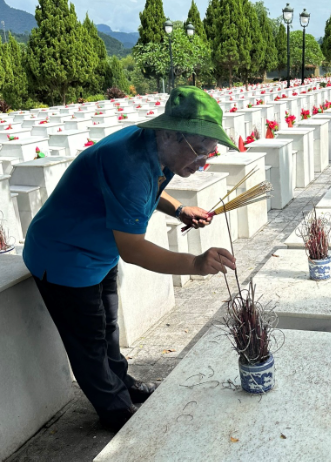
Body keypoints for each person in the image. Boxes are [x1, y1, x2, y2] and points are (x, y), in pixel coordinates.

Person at [23, 86, 238, 431]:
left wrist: (178, 209)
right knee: (89, 343)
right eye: (198, 152)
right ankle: (116, 412)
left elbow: (152, 186)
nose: (202, 164)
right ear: (170, 133)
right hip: (65, 256)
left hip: (98, 251)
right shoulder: (128, 163)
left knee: (108, 327)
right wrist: (196, 264)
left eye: (208, 154)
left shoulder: (157, 148)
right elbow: (134, 249)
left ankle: (123, 383)